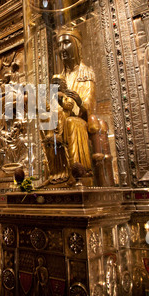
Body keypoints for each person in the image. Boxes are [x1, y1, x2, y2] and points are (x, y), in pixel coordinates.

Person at [54, 27, 96, 183]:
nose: (62, 49)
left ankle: (78, 172)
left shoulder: (87, 73)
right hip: (61, 117)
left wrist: (79, 101)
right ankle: (57, 174)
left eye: (66, 43)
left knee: (71, 122)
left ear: (76, 45)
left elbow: (90, 106)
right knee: (46, 122)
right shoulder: (61, 76)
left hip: (79, 120)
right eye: (59, 45)